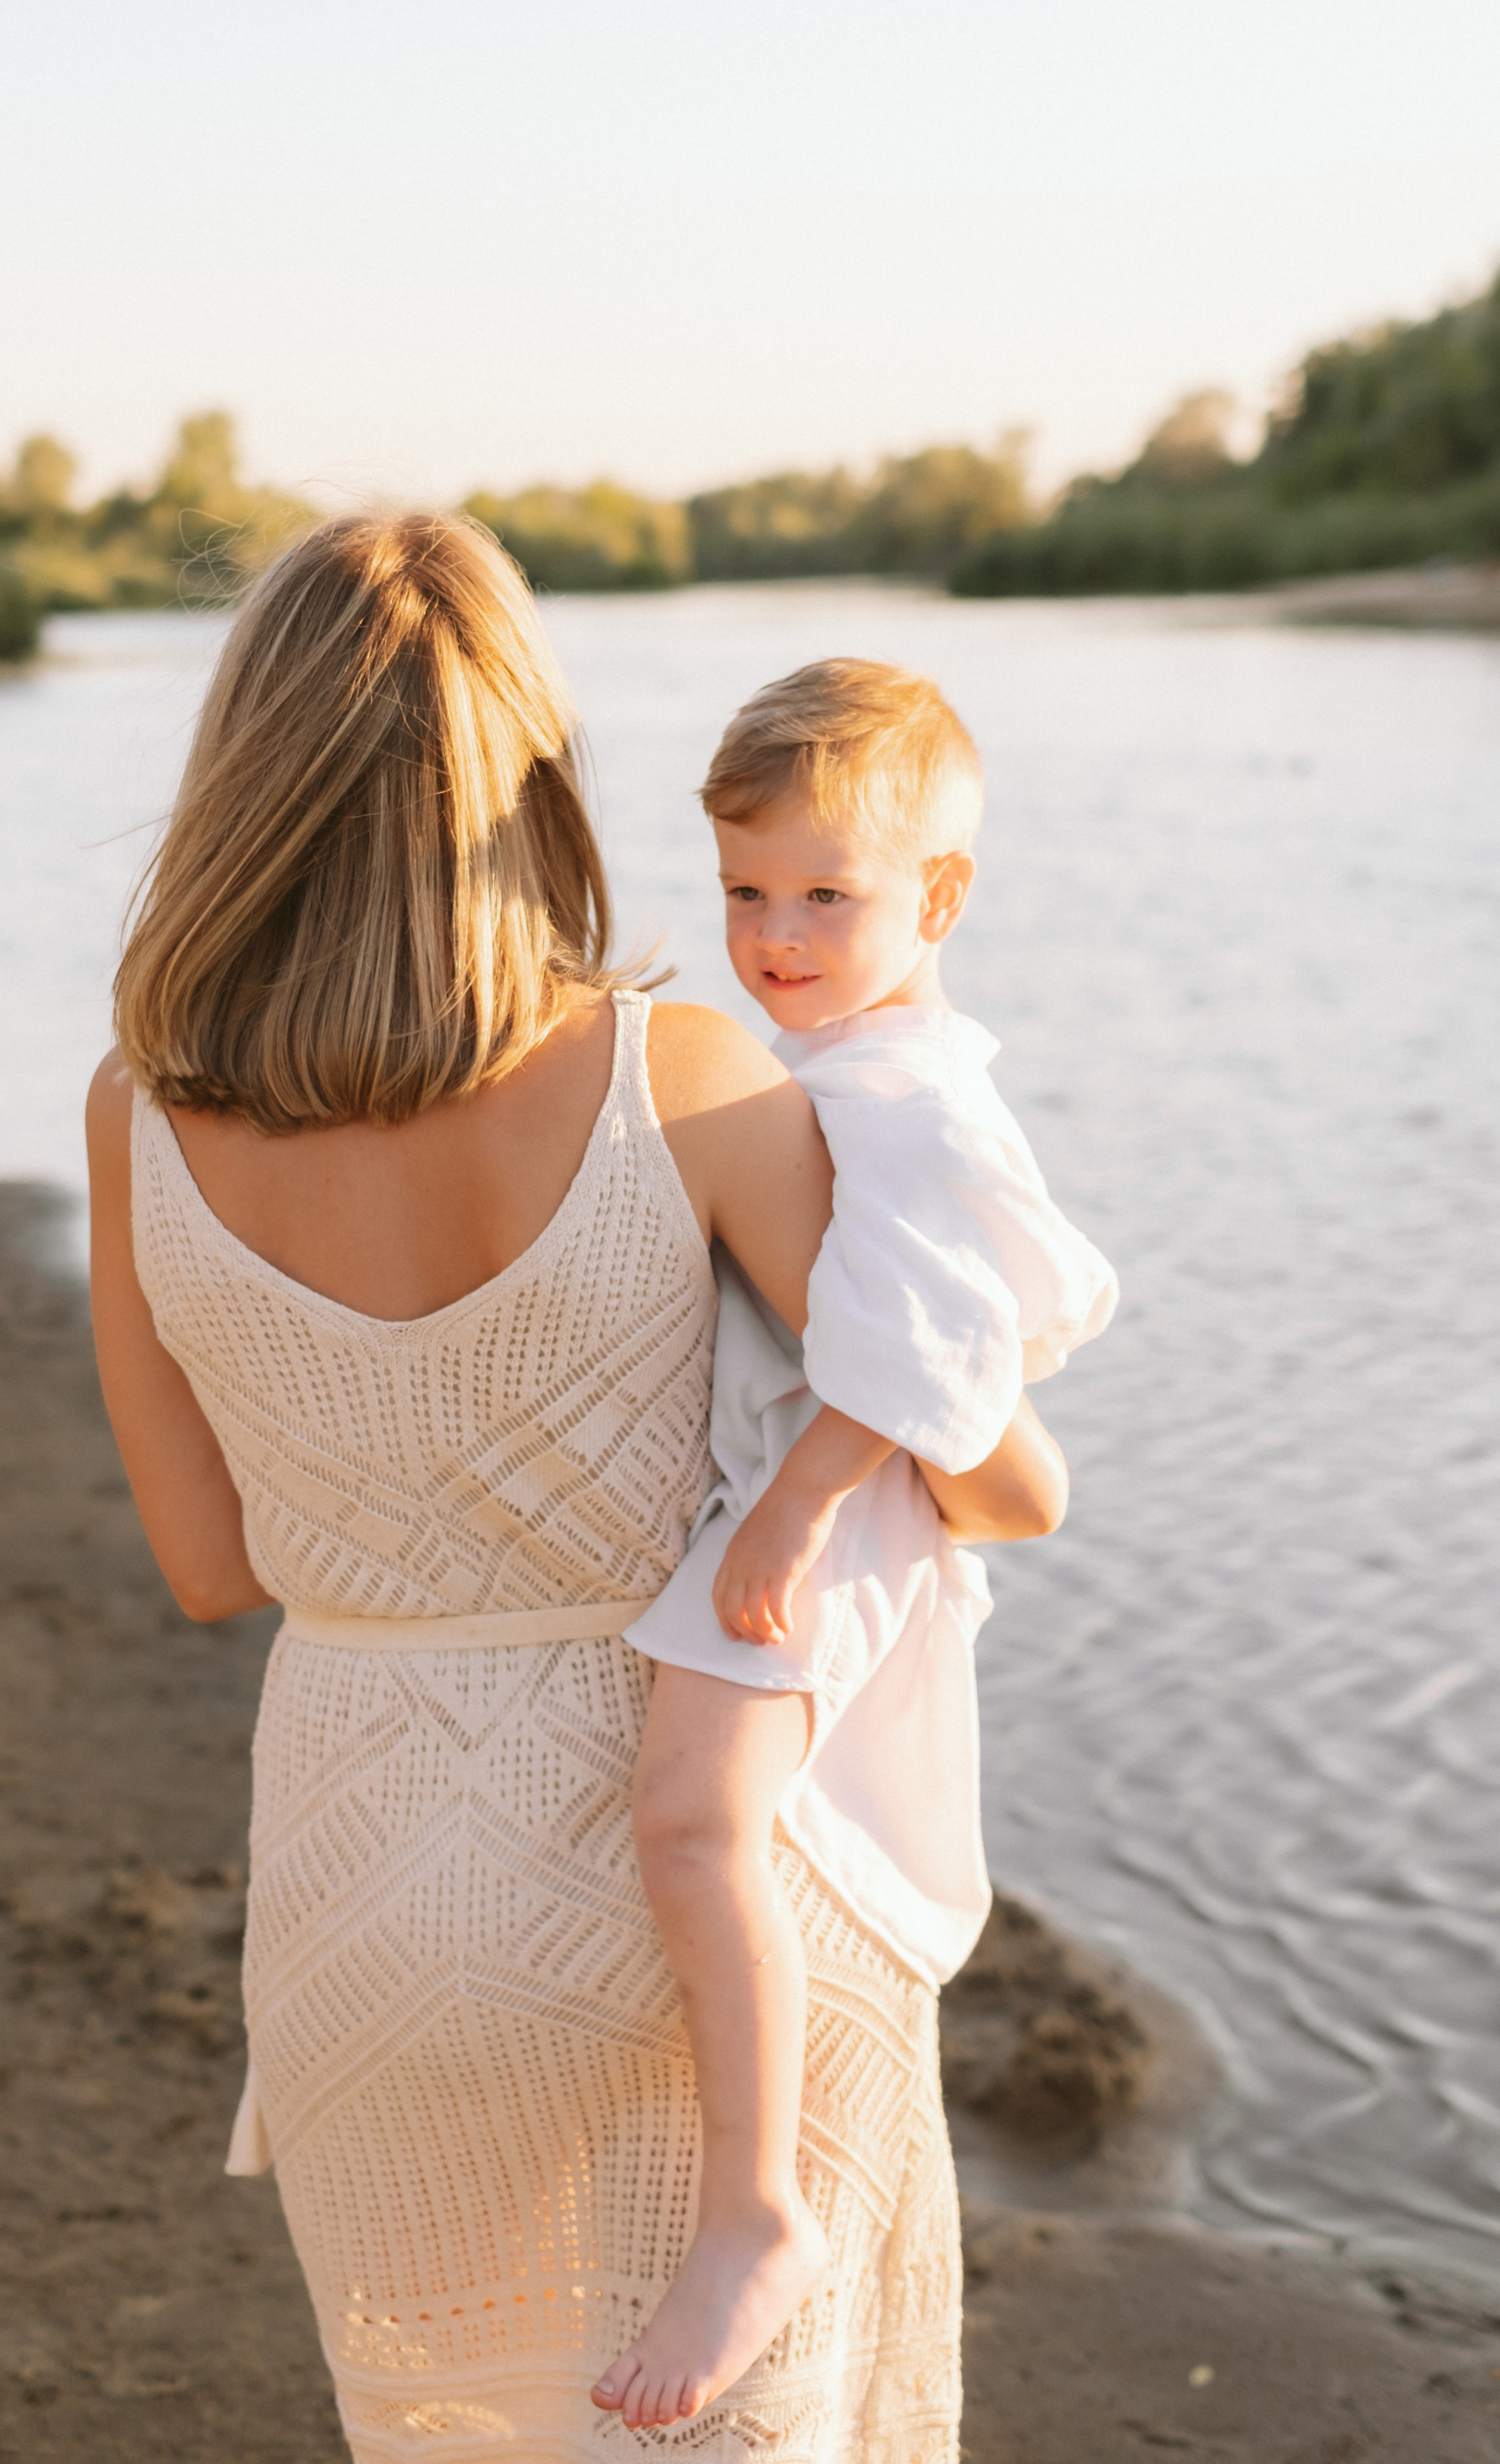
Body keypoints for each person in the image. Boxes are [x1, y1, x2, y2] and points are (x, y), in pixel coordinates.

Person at [86, 519, 1058, 2461]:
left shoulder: (133, 1112)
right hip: (688, 1906)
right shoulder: (680, 1071)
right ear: (524, 768)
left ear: (241, 775)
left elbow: (207, 1567)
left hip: (360, 1886)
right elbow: (1007, 1480)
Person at [605, 658, 1117, 2428]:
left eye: (826, 893)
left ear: (940, 898)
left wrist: (802, 1505)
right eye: (746, 891)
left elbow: (930, 1348)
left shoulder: (904, 1098)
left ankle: (757, 2212)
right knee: (706, 1820)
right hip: (812, 1497)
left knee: (690, 1816)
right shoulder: (848, 1062)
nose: (775, 933)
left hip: (824, 1509)